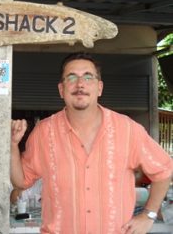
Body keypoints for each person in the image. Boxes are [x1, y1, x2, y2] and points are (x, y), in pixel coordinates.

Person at [11, 52, 173, 234]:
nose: (80, 84)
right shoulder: (43, 132)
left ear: (100, 88)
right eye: (71, 77)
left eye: (88, 77)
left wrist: (148, 214)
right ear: (61, 90)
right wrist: (12, 146)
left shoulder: (128, 129)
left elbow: (164, 169)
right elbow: (21, 181)